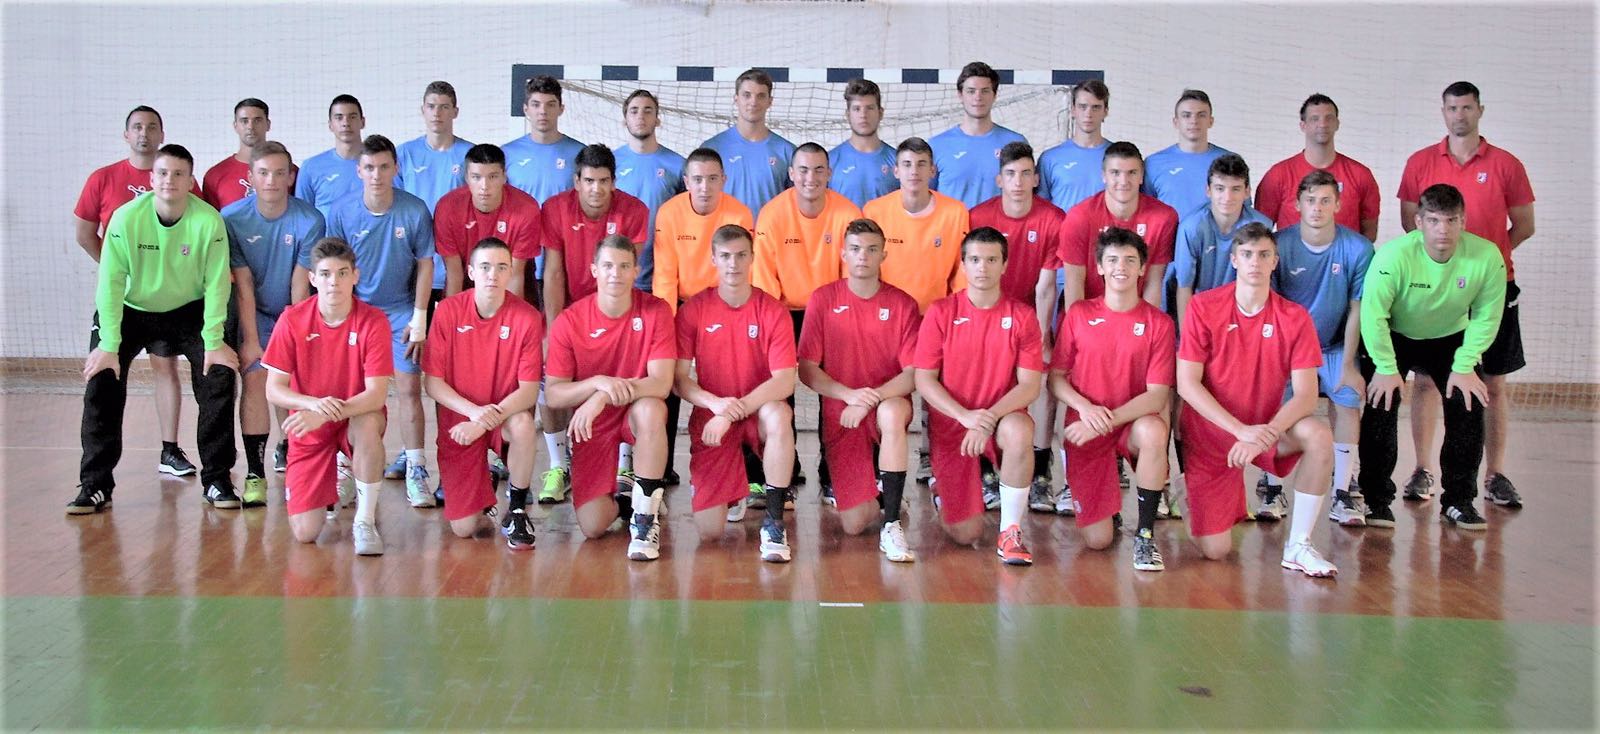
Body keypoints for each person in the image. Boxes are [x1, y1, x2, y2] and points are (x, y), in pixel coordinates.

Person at [70, 144, 240, 515]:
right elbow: (110, 282)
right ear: (151, 179)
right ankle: (95, 484)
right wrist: (108, 344)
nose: (169, 180)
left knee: (219, 373)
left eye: (179, 174)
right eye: (163, 173)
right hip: (131, 309)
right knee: (101, 378)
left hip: (188, 309)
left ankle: (217, 479)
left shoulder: (208, 221)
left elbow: (217, 284)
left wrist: (214, 341)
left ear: (191, 181)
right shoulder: (126, 218)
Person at [1395, 82, 1534, 509]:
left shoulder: (1507, 164)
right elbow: (1409, 223)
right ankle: (1422, 470)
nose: (1460, 115)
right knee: (1425, 381)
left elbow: (1524, 225)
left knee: (1493, 381)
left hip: (1492, 288)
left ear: (1480, 110)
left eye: (1467, 107)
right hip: (1437, 291)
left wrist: (1483, 264)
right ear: (1443, 112)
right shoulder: (1420, 162)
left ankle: (1495, 475)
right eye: (1452, 108)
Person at [1175, 222, 1337, 577]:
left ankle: (1299, 546)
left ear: (1275, 262)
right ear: (1234, 260)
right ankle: (1187, 493)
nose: (1255, 262)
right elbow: (1186, 384)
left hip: (1265, 431)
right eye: (1247, 254)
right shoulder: (1203, 307)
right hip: (1212, 435)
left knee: (1319, 435)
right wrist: (1239, 431)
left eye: (1264, 255)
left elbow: (1307, 395)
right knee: (1216, 551)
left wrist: (1264, 434)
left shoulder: (1294, 317)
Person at [1358, 184, 1506, 530]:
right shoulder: (1393, 256)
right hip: (1395, 334)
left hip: (1450, 337)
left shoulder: (1487, 257)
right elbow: (1372, 314)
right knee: (1380, 403)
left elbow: (1487, 316)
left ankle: (1458, 501)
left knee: (1469, 402)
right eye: (1434, 221)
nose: (1443, 230)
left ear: (1463, 222)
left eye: (1451, 221)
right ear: (1419, 222)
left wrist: (1465, 364)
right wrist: (1385, 367)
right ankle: (1376, 501)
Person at [73, 105, 197, 479]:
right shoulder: (103, 178)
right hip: (124, 299)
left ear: (162, 135)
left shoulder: (179, 179)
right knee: (106, 371)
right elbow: (84, 233)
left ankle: (170, 450)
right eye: (137, 127)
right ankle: (97, 476)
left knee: (166, 367)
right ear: (126, 134)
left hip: (169, 299)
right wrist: (120, 270)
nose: (145, 133)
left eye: (152, 127)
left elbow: (198, 234)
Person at [913, 227, 1044, 565]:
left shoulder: (1022, 316)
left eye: (990, 260)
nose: (982, 267)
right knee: (965, 534)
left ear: (1004, 265)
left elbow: (1030, 386)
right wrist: (965, 416)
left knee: (1020, 430)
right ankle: (943, 489)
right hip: (954, 424)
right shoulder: (941, 312)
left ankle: (1010, 531)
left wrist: (986, 420)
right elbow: (924, 379)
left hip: (999, 419)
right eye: (974, 260)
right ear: (963, 265)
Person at [1049, 227, 1176, 570]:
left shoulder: (1159, 323)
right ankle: (1109, 509)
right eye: (1113, 260)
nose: (1121, 267)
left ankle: (1145, 536)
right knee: (1098, 541)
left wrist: (1106, 420)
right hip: (1085, 423)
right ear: (1100, 267)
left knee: (1154, 430)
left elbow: (1156, 396)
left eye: (1130, 260)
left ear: (1142, 268)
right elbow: (1056, 379)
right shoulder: (1078, 314)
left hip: (1130, 422)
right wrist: (1084, 408)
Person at [322, 135, 437, 508]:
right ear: (359, 170)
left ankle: (417, 468)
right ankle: (345, 465)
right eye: (369, 167)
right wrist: (338, 316)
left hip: (401, 310)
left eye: (384, 167)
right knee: (350, 391)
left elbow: (425, 264)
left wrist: (420, 316)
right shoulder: (341, 211)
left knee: (408, 389)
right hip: (356, 312)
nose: (377, 175)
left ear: (395, 169)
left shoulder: (414, 210)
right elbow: (334, 267)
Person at [544, 236, 675, 561]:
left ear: (636, 271)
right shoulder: (569, 321)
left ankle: (646, 518)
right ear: (594, 270)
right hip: (593, 425)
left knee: (651, 409)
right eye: (608, 266)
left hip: (635, 410)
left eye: (624, 266)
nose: (615, 273)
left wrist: (603, 395)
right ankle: (628, 504)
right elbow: (555, 394)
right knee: (593, 525)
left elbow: (661, 384)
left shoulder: (656, 311)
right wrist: (597, 384)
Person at [798, 219, 922, 562]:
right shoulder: (823, 299)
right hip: (843, 412)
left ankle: (892, 523)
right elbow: (807, 369)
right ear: (843, 254)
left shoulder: (903, 304)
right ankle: (884, 495)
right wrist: (848, 395)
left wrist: (871, 398)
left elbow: (914, 373)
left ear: (884, 255)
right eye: (855, 249)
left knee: (891, 413)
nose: (863, 256)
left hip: (887, 401)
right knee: (853, 524)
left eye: (871, 250)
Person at [675, 225, 798, 562]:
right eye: (726, 256)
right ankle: (733, 487)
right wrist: (716, 405)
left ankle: (774, 522)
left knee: (779, 414)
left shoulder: (772, 310)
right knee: (710, 532)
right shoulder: (694, 310)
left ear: (752, 258)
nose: (733, 264)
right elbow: (679, 380)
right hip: (713, 414)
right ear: (713, 259)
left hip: (757, 410)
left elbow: (784, 382)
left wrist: (734, 411)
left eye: (741, 255)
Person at [263, 237, 392, 555]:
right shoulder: (292, 319)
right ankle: (337, 474)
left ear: (355, 276)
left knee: (368, 424)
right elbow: (274, 389)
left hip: (355, 414)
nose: (334, 282)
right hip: (310, 422)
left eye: (342, 273)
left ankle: (364, 520)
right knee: (305, 533)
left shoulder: (373, 321)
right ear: (312, 278)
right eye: (325, 274)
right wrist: (312, 405)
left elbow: (376, 395)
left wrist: (326, 412)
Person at [540, 143, 651, 501]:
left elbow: (626, 273)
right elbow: (553, 273)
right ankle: (559, 464)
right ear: (576, 181)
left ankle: (624, 465)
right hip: (571, 312)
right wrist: (553, 329)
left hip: (617, 309)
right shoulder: (555, 209)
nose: (596, 189)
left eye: (603, 181)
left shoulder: (634, 210)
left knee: (625, 377)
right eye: (589, 180)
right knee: (549, 382)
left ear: (614, 182)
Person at [222, 141, 327, 506]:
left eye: (279, 173)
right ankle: (255, 473)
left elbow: (301, 285)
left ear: (290, 177)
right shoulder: (231, 218)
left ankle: (295, 456)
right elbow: (243, 283)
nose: (271, 180)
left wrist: (298, 338)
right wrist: (251, 339)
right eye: (263, 173)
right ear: (251, 177)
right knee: (255, 378)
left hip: (292, 311)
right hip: (251, 310)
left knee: (293, 380)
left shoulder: (310, 219)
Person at [423, 238, 544, 544]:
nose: (493, 275)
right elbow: (433, 383)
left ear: (511, 272)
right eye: (486, 267)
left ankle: (517, 510)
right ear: (471, 272)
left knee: (524, 424)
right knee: (465, 529)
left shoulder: (528, 317)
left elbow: (529, 392)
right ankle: (484, 485)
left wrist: (484, 421)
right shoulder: (447, 311)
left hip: (503, 417)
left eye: (501, 267)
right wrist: (474, 414)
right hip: (460, 423)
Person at [1270, 171, 1373, 526]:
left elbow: (1357, 309)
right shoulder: (1278, 245)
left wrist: (1349, 364)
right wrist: (1277, 358)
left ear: (1338, 205)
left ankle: (1342, 491)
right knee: (1275, 403)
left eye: (1325, 200)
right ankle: (1271, 487)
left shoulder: (1358, 249)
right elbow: (1271, 305)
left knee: (1348, 398)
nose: (1317, 208)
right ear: (1297, 204)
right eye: (1310, 200)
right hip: (1288, 350)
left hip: (1334, 347)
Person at [968, 142, 1065, 511]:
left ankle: (1040, 472)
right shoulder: (979, 216)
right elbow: (972, 275)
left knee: (1041, 384)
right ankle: (983, 469)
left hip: (1029, 316)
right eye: (1010, 174)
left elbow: (1045, 286)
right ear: (999, 180)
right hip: (986, 314)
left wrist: (1039, 337)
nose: (1018, 182)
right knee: (979, 381)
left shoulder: (1053, 218)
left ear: (1036, 179)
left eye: (1026, 174)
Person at [1060, 142, 1178, 309]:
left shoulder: (1163, 218)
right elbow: (1074, 283)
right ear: (1104, 176)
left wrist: (1145, 324)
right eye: (1115, 173)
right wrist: (1080, 324)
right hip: (1090, 313)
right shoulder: (1079, 217)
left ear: (1141, 176)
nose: (1123, 181)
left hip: (1136, 314)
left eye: (1132, 173)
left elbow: (1153, 282)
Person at [863, 137, 970, 312]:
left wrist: (955, 311)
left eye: (921, 164)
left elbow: (962, 269)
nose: (914, 171)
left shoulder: (955, 212)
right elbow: (866, 268)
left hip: (937, 314)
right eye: (907, 164)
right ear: (896, 171)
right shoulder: (874, 211)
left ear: (932, 171)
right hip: (887, 313)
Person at [1254, 94, 1381, 240]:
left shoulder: (1361, 175)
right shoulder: (1277, 175)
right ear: (1303, 125)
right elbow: (1260, 232)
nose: (1322, 124)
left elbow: (1369, 234)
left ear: (1337, 124)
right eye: (1315, 119)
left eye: (1329, 118)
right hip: (1290, 255)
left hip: (1345, 255)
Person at [1172, 154, 1273, 324]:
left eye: (1235, 189)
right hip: (1202, 313)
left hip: (1244, 314)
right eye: (1220, 188)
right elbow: (1184, 287)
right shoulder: (1191, 228)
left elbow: (1263, 283)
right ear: (1208, 190)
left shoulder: (1261, 226)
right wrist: (1186, 336)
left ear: (1247, 192)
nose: (1227, 197)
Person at [396, 81, 475, 299]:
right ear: (422, 110)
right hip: (414, 259)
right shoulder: (404, 154)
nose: (437, 113)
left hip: (456, 259)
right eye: (431, 106)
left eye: (444, 107)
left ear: (455, 112)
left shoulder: (470, 155)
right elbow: (393, 204)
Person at [433, 144, 542, 299]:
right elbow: (454, 274)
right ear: (466, 177)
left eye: (492, 177)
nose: (484, 186)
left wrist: (509, 315)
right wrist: (455, 312)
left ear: (504, 176)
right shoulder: (447, 208)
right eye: (476, 177)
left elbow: (515, 275)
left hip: (513, 292)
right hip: (466, 291)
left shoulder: (526, 209)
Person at [613, 89, 686, 289]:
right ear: (624, 120)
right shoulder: (611, 163)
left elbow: (686, 217)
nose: (641, 116)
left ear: (657, 119)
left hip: (665, 275)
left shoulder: (678, 165)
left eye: (648, 111)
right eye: (634, 111)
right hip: (620, 275)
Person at [929, 61, 1028, 208]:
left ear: (994, 95)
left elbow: (1027, 196)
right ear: (960, 95)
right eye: (971, 91)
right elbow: (926, 197)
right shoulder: (936, 146)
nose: (978, 97)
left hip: (998, 224)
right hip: (954, 224)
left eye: (985, 91)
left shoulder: (1015, 142)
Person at [702, 68, 795, 215]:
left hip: (769, 230)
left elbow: (796, 203)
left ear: (770, 101)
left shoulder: (786, 151)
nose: (753, 102)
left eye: (761, 96)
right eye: (747, 95)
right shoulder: (712, 148)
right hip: (724, 230)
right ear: (736, 99)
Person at [1143, 89, 1236, 219]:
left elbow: (1243, 210)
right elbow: (1144, 210)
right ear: (1176, 122)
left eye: (1201, 115)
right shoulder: (1153, 163)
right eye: (1186, 115)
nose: (1194, 121)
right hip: (1170, 233)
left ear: (1211, 121)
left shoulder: (1230, 161)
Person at [503, 75, 586, 202]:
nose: (543, 111)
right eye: (536, 105)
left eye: (550, 105)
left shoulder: (581, 153)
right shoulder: (506, 153)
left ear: (561, 109)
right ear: (526, 109)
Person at [1039, 80, 1112, 212]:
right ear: (1073, 110)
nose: (1088, 114)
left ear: (1105, 112)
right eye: (1082, 107)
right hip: (1064, 226)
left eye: (1096, 107)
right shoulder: (1049, 158)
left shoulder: (1118, 158)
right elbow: (1040, 208)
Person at [827, 78, 898, 208]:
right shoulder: (830, 160)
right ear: (848, 114)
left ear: (880, 113)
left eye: (870, 108)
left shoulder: (897, 160)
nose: (863, 115)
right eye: (856, 109)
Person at [295, 94, 365, 217]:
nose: (346, 123)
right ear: (330, 125)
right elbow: (302, 217)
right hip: (326, 231)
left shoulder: (380, 165)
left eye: (352, 117)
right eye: (339, 118)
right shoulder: (310, 167)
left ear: (362, 122)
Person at [202, 98, 276, 210]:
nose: (250, 127)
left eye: (257, 120)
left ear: (268, 124)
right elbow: (210, 218)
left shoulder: (287, 171)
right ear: (235, 126)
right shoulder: (215, 175)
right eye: (244, 121)